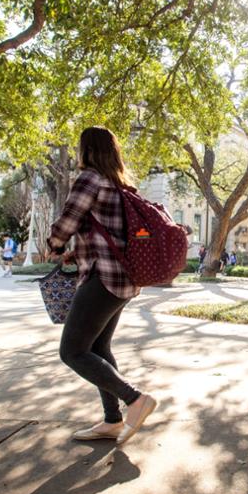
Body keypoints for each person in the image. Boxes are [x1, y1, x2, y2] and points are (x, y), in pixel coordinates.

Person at [47, 126, 157, 446]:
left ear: (87, 151)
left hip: (102, 279)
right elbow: (107, 235)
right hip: (123, 279)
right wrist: (74, 253)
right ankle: (112, 420)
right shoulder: (119, 184)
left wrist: (53, 245)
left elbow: (68, 219)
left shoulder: (89, 179)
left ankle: (135, 400)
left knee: (72, 351)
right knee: (98, 349)